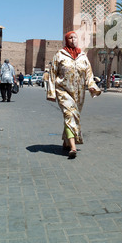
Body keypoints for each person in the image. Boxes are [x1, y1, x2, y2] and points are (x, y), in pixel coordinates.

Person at [47, 31, 101, 159]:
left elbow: (89, 74)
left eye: (75, 37)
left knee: (72, 117)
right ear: (66, 40)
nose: (73, 40)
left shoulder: (83, 56)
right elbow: (52, 73)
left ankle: (66, 142)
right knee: (69, 115)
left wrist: (92, 86)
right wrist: (51, 92)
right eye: (70, 38)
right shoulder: (59, 55)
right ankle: (73, 147)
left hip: (79, 93)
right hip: (63, 91)